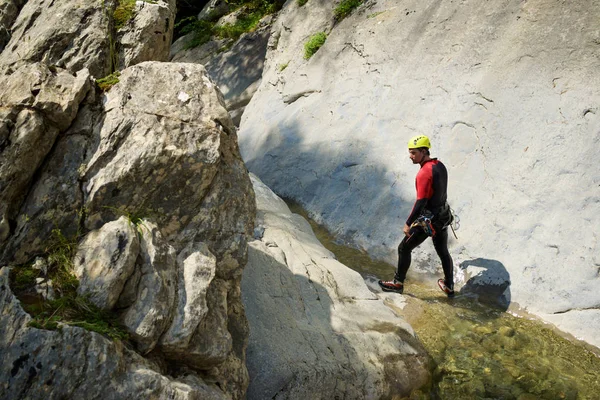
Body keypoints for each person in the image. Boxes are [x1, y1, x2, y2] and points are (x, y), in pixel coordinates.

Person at [378, 135, 455, 297]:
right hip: (443, 216)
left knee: (403, 248)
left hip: (428, 220)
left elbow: (421, 202)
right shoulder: (440, 165)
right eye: (410, 152)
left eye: (413, 153)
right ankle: (449, 285)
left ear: (424, 151)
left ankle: (398, 283)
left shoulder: (423, 174)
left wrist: (408, 223)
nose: (410, 156)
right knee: (443, 251)